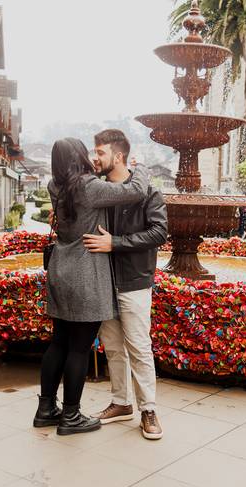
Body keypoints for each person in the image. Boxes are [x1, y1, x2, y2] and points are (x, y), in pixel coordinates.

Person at [34, 137, 149, 436]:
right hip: (86, 273)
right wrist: (140, 167)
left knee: (59, 341)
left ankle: (46, 409)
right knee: (79, 348)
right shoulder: (90, 187)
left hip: (60, 271)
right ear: (78, 157)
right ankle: (70, 416)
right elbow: (135, 190)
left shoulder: (55, 185)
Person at [83, 129, 168, 440]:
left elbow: (159, 233)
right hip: (104, 283)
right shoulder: (99, 191)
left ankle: (148, 409)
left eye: (100, 152)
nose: (95, 157)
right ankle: (121, 403)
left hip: (134, 282)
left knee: (139, 348)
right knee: (114, 348)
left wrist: (115, 243)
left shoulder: (148, 193)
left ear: (117, 156)